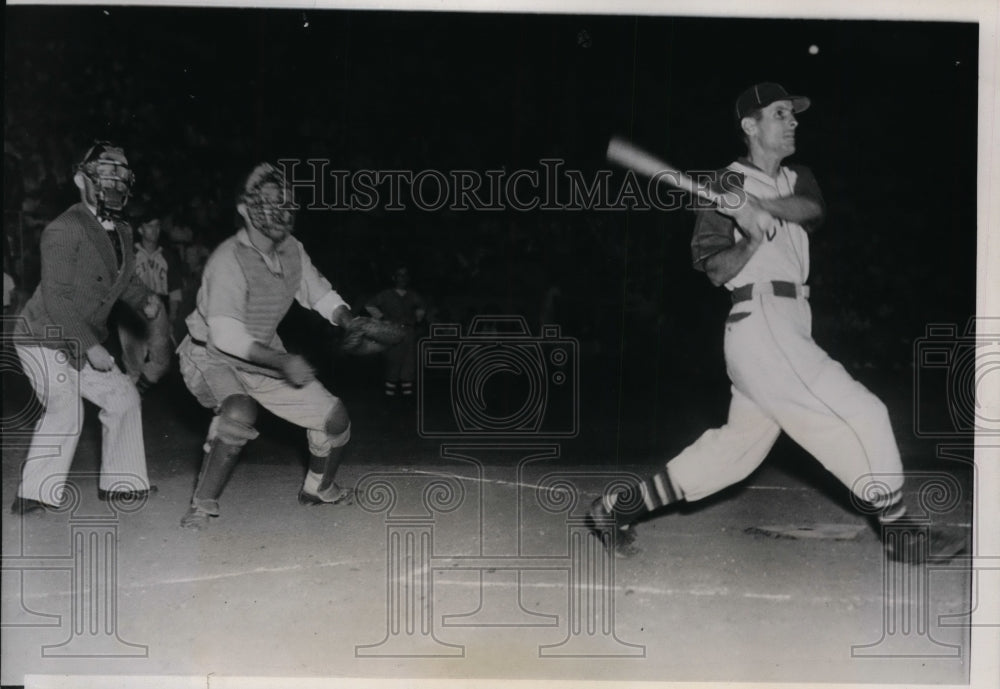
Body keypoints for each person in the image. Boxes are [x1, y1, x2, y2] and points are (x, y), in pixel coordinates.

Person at [587, 83, 966, 564]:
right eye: (781, 113)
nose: (793, 121)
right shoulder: (724, 186)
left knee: (734, 454)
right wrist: (748, 240)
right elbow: (714, 269)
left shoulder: (796, 177)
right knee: (864, 411)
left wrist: (758, 208)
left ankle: (614, 508)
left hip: (788, 323)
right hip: (759, 320)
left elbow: (813, 209)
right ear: (750, 126)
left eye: (793, 114)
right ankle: (900, 530)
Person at [177, 162, 362, 530]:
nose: (278, 210)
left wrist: (347, 319)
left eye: (284, 202)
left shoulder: (292, 248)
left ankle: (317, 488)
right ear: (244, 209)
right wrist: (281, 360)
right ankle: (201, 505)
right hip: (210, 354)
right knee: (239, 411)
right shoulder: (227, 259)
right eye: (267, 202)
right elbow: (225, 336)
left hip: (264, 355)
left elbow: (317, 292)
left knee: (334, 418)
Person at [11, 141, 160, 514]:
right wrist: (90, 346)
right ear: (81, 180)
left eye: (120, 173)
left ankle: (121, 484)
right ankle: (34, 492)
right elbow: (59, 299)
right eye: (105, 173)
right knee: (66, 409)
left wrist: (145, 298)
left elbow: (120, 277)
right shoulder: (63, 229)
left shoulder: (122, 230)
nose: (114, 181)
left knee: (123, 397)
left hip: (80, 338)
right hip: (43, 337)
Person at [118, 204, 183, 394]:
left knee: (162, 363)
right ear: (140, 229)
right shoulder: (130, 254)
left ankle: (135, 392)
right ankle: (132, 404)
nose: (154, 230)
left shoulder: (168, 256)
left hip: (159, 308)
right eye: (149, 226)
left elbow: (175, 291)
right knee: (133, 363)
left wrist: (171, 318)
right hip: (131, 309)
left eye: (157, 226)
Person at [365, 265, 426, 397]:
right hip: (393, 332)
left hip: (409, 332)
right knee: (393, 364)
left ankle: (407, 400)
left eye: (405, 275)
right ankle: (389, 400)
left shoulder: (413, 295)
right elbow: (369, 305)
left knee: (409, 365)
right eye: (400, 275)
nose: (402, 278)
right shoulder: (386, 294)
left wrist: (417, 318)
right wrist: (382, 318)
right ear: (394, 278)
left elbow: (422, 306)